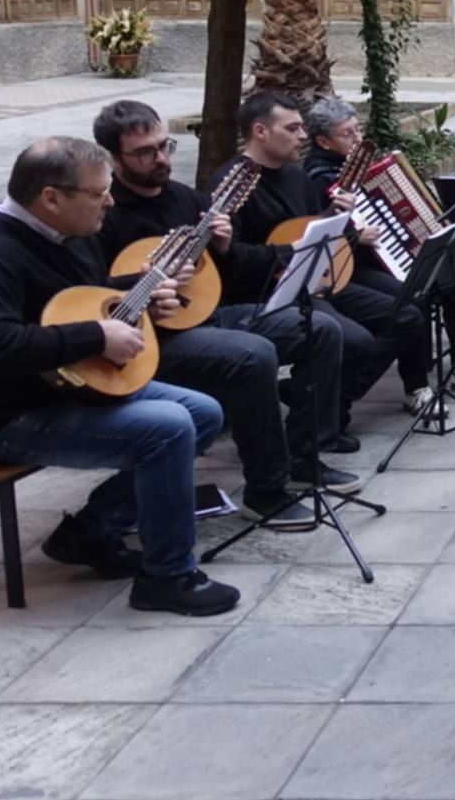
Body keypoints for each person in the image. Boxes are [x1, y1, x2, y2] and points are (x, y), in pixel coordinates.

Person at [0, 137, 240, 616]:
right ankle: (167, 577)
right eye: (99, 193)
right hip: (11, 415)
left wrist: (139, 295)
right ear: (51, 198)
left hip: (70, 387)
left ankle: (89, 532)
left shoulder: (63, 234)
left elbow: (78, 297)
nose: (111, 202)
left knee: (202, 412)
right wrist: (96, 336)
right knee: (168, 429)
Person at [90, 101, 358, 525]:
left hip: (208, 314)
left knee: (319, 328)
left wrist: (222, 247)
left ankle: (304, 458)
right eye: (145, 153)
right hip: (150, 335)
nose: (160, 159)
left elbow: (224, 275)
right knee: (252, 354)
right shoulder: (102, 214)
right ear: (112, 157)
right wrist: (142, 286)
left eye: (165, 146)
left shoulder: (185, 199)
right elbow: (90, 291)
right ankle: (265, 490)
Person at [213, 92, 424, 423]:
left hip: (314, 282)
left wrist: (340, 220)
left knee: (406, 315)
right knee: (354, 339)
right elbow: (229, 257)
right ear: (259, 131)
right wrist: (288, 252)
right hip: (267, 292)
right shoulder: (233, 182)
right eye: (293, 128)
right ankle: (317, 419)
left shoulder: (296, 177)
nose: (302, 136)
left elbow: (317, 233)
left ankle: (328, 401)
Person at [304, 97, 455, 397]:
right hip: (349, 269)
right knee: (412, 297)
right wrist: (352, 236)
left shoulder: (360, 166)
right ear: (323, 142)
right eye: (347, 134)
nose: (358, 138)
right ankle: (416, 389)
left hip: (383, 257)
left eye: (358, 129)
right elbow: (312, 235)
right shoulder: (317, 179)